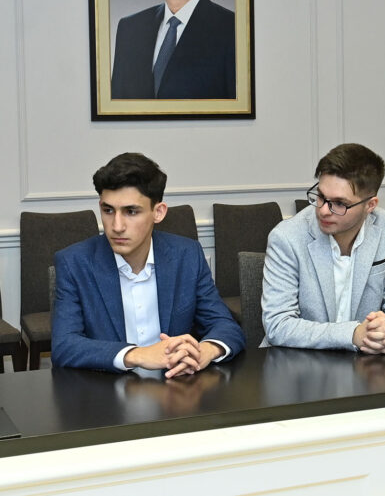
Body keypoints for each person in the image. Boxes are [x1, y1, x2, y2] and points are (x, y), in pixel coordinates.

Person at [52, 153, 244, 376]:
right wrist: (137, 355)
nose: (117, 226)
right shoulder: (74, 262)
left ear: (158, 212)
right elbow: (64, 345)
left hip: (176, 388)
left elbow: (225, 325)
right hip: (106, 390)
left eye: (131, 211)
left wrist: (204, 351)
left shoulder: (187, 255)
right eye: (108, 210)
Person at [261, 144, 385, 352]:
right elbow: (278, 325)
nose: (324, 211)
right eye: (320, 197)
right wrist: (353, 334)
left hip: (367, 360)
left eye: (339, 203)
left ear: (370, 205)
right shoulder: (286, 237)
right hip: (297, 361)